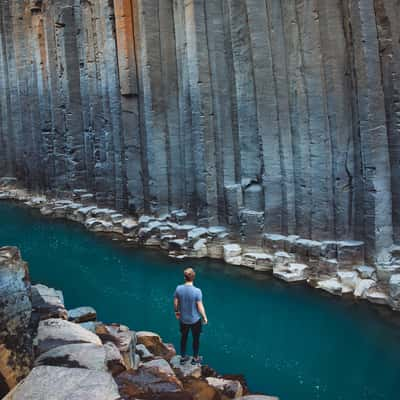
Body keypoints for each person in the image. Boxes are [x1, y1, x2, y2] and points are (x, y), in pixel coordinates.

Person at [174, 267, 208, 365]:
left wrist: (176, 312)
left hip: (183, 319)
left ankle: (183, 357)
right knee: (196, 339)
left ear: (184, 278)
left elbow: (176, 302)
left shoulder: (178, 288)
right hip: (195, 320)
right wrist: (204, 317)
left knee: (183, 338)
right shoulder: (197, 291)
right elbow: (200, 306)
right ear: (194, 278)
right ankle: (195, 358)